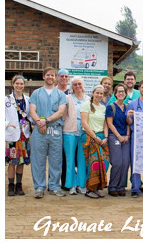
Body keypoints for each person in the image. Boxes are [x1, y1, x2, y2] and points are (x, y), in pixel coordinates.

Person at [28, 67, 68, 198]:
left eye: (52, 75)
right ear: (43, 77)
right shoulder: (36, 93)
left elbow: (61, 111)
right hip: (39, 131)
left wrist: (46, 121)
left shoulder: (61, 95)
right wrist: (39, 121)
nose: (50, 77)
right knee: (38, 160)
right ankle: (39, 187)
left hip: (55, 130)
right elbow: (32, 110)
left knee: (56, 160)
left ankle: (54, 186)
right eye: (48, 75)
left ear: (55, 78)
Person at [81, 85, 110, 199]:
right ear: (93, 93)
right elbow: (84, 123)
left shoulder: (103, 108)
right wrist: (95, 137)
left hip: (102, 136)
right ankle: (90, 189)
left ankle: (98, 187)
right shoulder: (86, 105)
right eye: (97, 93)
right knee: (94, 163)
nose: (99, 95)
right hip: (90, 136)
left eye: (101, 93)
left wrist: (106, 137)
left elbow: (105, 124)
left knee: (105, 163)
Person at [62, 76, 89, 195]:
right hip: (69, 131)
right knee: (70, 159)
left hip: (84, 132)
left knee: (82, 159)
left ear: (83, 85)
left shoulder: (88, 99)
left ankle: (81, 184)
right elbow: (62, 114)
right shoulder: (67, 98)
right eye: (75, 84)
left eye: (79, 84)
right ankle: (71, 184)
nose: (77, 86)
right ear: (72, 87)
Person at [6, 75, 32, 196]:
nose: (19, 86)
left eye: (21, 84)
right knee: (12, 161)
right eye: (17, 83)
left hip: (24, 135)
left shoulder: (27, 99)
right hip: (13, 135)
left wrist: (29, 122)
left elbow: (30, 114)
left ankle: (19, 185)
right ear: (13, 84)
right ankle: (10, 186)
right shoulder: (6, 99)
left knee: (21, 161)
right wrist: (7, 124)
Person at [106, 84, 132, 197]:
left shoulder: (127, 107)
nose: (121, 93)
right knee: (117, 162)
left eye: (123, 91)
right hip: (114, 136)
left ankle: (121, 187)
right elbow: (109, 124)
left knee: (125, 163)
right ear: (115, 94)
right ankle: (112, 186)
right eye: (119, 91)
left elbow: (128, 123)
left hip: (125, 137)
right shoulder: (110, 107)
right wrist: (118, 136)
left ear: (126, 94)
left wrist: (127, 135)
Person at [56, 69, 70, 191]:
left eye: (66, 76)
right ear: (57, 78)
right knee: (55, 156)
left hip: (68, 129)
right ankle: (53, 183)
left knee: (66, 156)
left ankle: (65, 182)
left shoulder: (71, 93)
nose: (64, 78)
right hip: (54, 127)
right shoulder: (53, 92)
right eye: (61, 76)